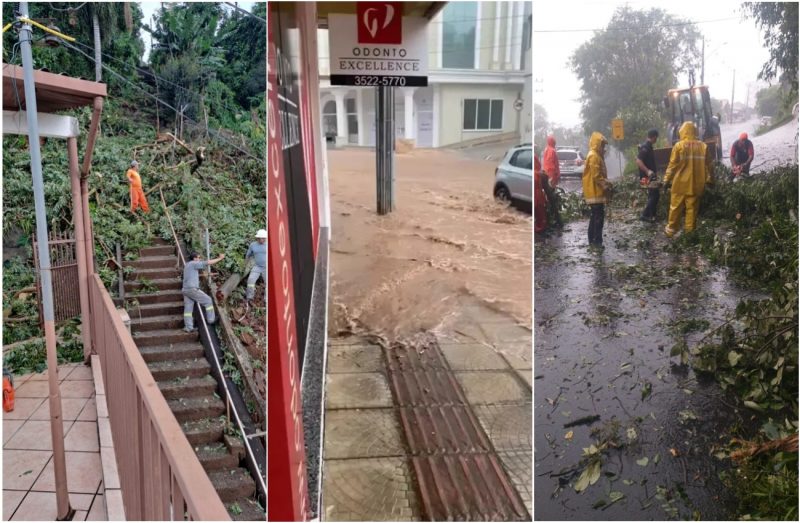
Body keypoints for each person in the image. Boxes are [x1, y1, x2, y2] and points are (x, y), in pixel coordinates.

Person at [664, 121, 713, 237]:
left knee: (675, 208)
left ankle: (671, 231)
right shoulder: (703, 146)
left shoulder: (679, 146)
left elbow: (672, 165)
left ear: (682, 131)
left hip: (679, 184)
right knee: (692, 211)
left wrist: (666, 181)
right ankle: (689, 235)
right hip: (696, 184)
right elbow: (710, 166)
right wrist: (711, 180)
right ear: (694, 131)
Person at [182, 251, 225, 332]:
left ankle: (188, 327)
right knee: (208, 300)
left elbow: (193, 275)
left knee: (188, 309)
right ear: (194, 258)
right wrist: (220, 258)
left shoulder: (188, 265)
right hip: (192, 289)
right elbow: (207, 263)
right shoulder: (194, 263)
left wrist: (208, 275)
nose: (199, 259)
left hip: (185, 290)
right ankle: (211, 320)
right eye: (198, 258)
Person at [582, 132, 612, 248]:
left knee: (595, 217)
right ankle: (596, 242)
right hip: (595, 193)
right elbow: (596, 176)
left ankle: (593, 241)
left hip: (595, 192)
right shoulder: (594, 156)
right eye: (602, 145)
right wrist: (606, 185)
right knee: (598, 218)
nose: (603, 148)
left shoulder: (595, 154)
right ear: (597, 144)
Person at [637, 129, 660, 222]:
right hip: (646, 177)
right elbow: (638, 161)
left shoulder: (648, 146)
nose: (656, 139)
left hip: (648, 176)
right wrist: (648, 171)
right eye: (656, 138)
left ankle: (652, 215)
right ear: (654, 137)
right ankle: (645, 215)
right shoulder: (646, 147)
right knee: (655, 194)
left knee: (653, 194)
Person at [245, 229, 267, 302]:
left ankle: (266, 299)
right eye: (260, 238)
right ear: (257, 238)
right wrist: (245, 264)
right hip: (257, 266)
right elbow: (248, 255)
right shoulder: (253, 245)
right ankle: (249, 297)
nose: (262, 240)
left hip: (267, 268)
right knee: (250, 280)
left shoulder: (269, 244)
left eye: (264, 238)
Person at [533, 154, 548, 233]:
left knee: (538, 212)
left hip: (537, 194)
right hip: (537, 195)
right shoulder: (537, 174)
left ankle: (538, 227)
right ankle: (539, 227)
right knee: (539, 212)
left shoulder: (538, 174)